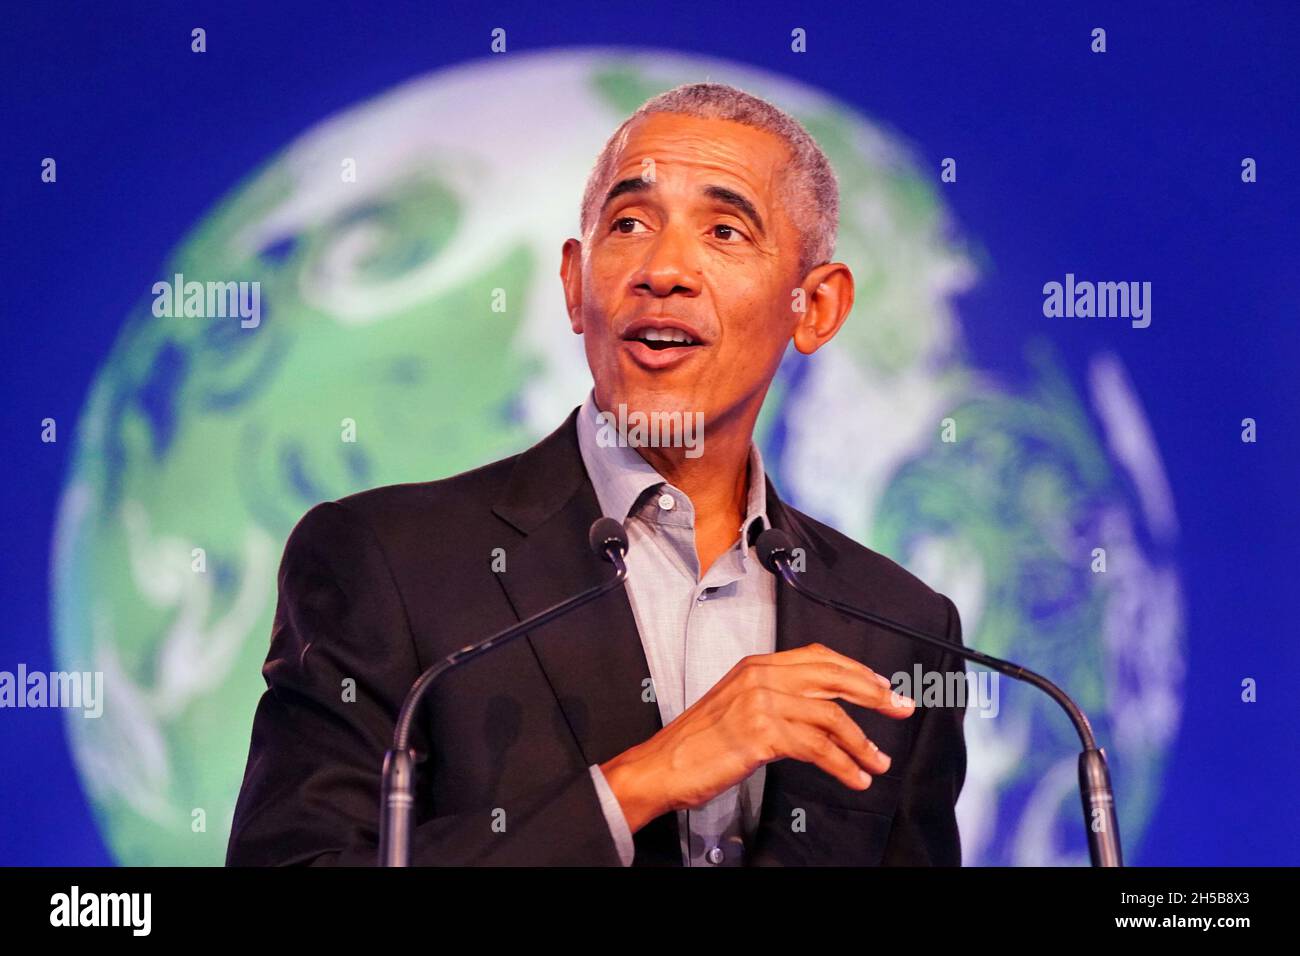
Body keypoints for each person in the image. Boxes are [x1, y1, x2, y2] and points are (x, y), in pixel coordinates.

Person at [226, 82, 968, 867]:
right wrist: (637, 784)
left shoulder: (897, 630)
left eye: (723, 230)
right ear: (577, 283)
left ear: (814, 306)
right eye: (630, 224)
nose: (664, 270)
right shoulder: (387, 562)